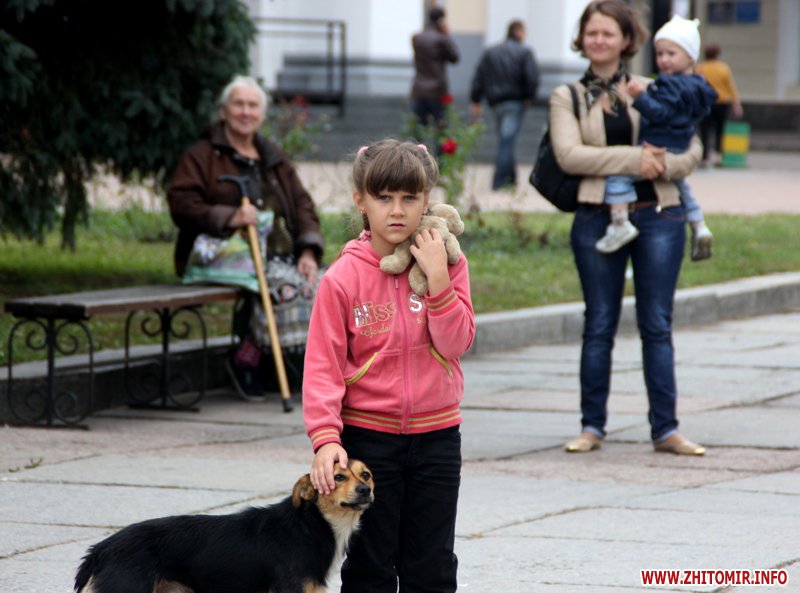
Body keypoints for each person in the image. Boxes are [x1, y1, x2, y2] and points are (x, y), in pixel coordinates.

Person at [303, 139, 475, 593]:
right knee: (370, 566)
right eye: (384, 197)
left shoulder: (448, 263)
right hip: (369, 441)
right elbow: (322, 367)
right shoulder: (342, 278)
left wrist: (437, 279)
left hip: (438, 437)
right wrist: (325, 439)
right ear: (361, 201)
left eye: (409, 198)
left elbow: (456, 343)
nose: (397, 210)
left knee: (433, 565)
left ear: (427, 200)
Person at [549, 0, 706, 456]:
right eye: (592, 32)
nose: (599, 40)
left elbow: (691, 148)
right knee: (599, 323)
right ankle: (591, 427)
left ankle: (666, 429)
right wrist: (638, 160)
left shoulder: (657, 86)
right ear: (582, 39)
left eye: (608, 33)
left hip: (660, 214)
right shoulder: (567, 96)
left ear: (626, 40)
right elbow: (570, 156)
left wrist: (663, 166)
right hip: (596, 217)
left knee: (657, 324)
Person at [167, 75, 324, 401]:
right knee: (284, 286)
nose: (245, 111)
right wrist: (229, 217)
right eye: (238, 104)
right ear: (224, 110)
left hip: (279, 255)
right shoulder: (202, 155)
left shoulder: (272, 157)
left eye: (253, 105)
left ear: (262, 114)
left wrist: (308, 251)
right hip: (223, 257)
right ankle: (247, 358)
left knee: (323, 284)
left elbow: (302, 204)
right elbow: (180, 202)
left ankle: (296, 365)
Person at [595, 15, 717, 261]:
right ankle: (699, 224)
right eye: (660, 54)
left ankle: (620, 223)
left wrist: (640, 97)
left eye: (671, 53)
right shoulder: (699, 85)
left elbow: (661, 113)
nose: (664, 60)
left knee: (618, 176)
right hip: (680, 143)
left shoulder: (671, 85)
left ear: (690, 57)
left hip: (660, 143)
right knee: (681, 186)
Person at [470, 19, 540, 189]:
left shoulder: (491, 52)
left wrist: (476, 99)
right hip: (515, 102)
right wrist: (529, 97)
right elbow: (532, 77)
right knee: (506, 140)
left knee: (506, 139)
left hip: (496, 103)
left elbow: (479, 76)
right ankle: (500, 180)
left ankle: (510, 177)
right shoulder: (524, 52)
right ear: (518, 31)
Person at [411, 7, 460, 132]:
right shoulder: (441, 39)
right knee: (441, 127)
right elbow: (455, 57)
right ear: (441, 20)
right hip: (437, 90)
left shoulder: (417, 38)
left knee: (419, 128)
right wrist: (447, 35)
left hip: (419, 88)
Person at [696, 43, 744, 166]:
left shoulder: (701, 68)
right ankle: (718, 155)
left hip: (706, 102)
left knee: (705, 130)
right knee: (720, 129)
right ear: (717, 54)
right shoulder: (723, 68)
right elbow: (730, 86)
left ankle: (705, 156)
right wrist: (736, 104)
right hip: (722, 102)